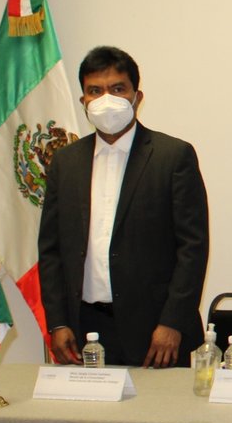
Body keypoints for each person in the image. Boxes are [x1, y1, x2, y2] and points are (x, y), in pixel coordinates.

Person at [38, 45, 210, 367]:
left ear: (137, 97)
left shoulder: (173, 157)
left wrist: (172, 322)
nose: (106, 99)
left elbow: (193, 248)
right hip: (85, 329)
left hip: (157, 332)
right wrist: (58, 323)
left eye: (117, 89)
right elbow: (51, 250)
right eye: (95, 91)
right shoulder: (65, 162)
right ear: (83, 101)